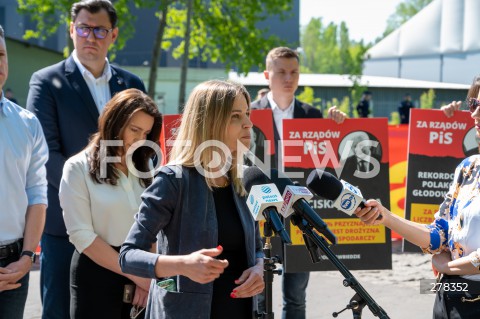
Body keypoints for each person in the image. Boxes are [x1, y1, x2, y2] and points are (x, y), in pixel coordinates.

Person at [26, 1, 146, 317]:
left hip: (125, 228)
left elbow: (142, 154)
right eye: (83, 28)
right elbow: (44, 154)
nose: (90, 36)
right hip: (68, 225)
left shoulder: (132, 84)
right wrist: (88, 191)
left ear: (114, 34)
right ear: (71, 30)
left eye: (99, 29)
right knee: (61, 311)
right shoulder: (47, 81)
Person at [119, 80, 265, 318]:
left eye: (247, 114)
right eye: (236, 116)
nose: (248, 123)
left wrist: (259, 268)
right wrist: (182, 265)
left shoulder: (244, 180)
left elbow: (257, 248)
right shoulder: (173, 180)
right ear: (210, 123)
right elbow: (128, 256)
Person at [355, 75, 480, 318]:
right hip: (449, 295)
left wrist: (445, 266)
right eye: (473, 104)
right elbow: (439, 235)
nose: (474, 115)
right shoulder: (468, 168)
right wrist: (387, 218)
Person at [251, 46, 346, 319]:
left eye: (294, 72)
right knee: (258, 297)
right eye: (281, 72)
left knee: (295, 298)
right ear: (267, 74)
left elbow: (329, 161)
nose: (288, 78)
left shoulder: (314, 116)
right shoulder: (247, 113)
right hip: (260, 214)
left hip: (299, 216)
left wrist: (336, 125)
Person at [59, 88, 161, 318]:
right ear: (113, 122)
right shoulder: (77, 168)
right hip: (96, 276)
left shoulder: (146, 168)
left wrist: (148, 274)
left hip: (142, 272)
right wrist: (138, 276)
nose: (140, 140)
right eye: (134, 130)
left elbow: (155, 224)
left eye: (146, 133)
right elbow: (80, 235)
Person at [0, 25, 48, 319]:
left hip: (16, 263)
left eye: (1, 54)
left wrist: (27, 256)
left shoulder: (27, 123)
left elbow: (37, 194)